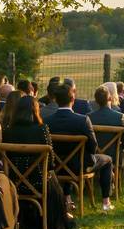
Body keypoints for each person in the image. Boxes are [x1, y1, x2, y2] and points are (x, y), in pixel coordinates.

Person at [2, 96, 73, 229]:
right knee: (51, 177)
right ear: (35, 110)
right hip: (39, 181)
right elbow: (51, 163)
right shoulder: (41, 129)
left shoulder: (7, 132)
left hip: (14, 182)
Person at [45, 83, 114, 211]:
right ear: (73, 100)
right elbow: (93, 146)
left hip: (55, 166)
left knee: (66, 158)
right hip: (79, 167)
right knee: (108, 160)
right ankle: (106, 202)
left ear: (55, 100)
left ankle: (67, 199)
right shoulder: (82, 120)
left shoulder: (47, 121)